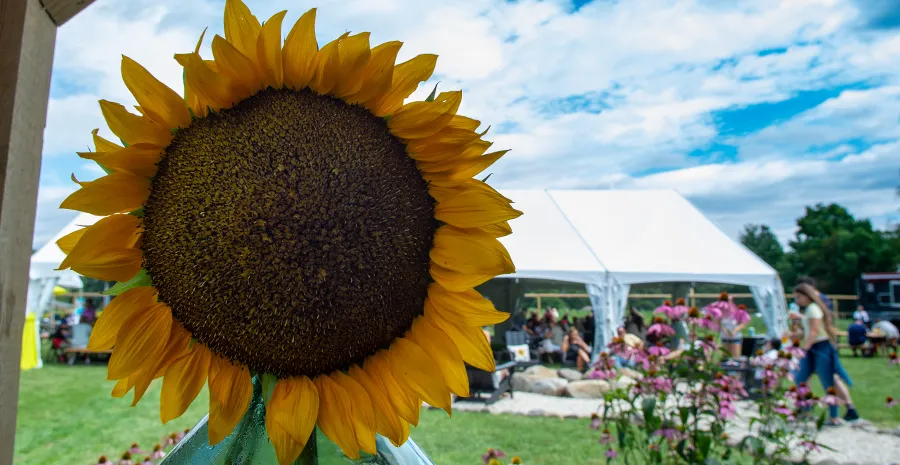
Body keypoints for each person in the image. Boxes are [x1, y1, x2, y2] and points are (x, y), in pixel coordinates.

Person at [792, 283, 857, 424]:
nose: (797, 300)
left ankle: (834, 416)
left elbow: (814, 331)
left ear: (806, 295)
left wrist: (804, 349)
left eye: (798, 297)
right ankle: (805, 408)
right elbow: (808, 331)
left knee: (827, 381)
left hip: (820, 347)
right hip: (813, 347)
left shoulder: (813, 309)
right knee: (800, 378)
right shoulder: (809, 310)